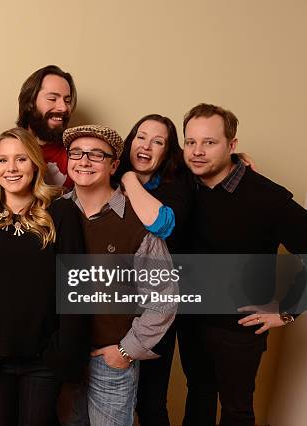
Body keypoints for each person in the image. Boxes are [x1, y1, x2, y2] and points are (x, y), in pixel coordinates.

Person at [178, 103, 307, 426]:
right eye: (191, 142)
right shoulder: (181, 187)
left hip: (239, 328)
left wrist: (288, 309)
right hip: (191, 320)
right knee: (199, 396)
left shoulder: (267, 197)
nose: (197, 151)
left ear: (232, 146)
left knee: (236, 410)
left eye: (209, 142)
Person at [0, 127, 88, 426]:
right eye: (2, 160)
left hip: (45, 360)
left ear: (35, 164)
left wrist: (61, 351)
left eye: (21, 159)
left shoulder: (61, 212)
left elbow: (75, 285)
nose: (11, 168)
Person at [62, 125, 176, 426]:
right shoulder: (52, 212)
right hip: (61, 359)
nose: (84, 161)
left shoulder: (136, 222)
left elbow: (164, 295)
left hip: (110, 361)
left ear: (114, 165)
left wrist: (126, 351)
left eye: (96, 155)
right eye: (76, 153)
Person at [115, 114, 193, 425]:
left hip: (156, 307)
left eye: (157, 141)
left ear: (167, 152)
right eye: (141, 136)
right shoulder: (108, 175)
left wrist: (131, 179)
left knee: (149, 402)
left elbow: (160, 224)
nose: (146, 145)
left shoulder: (178, 186)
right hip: (112, 302)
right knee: (113, 395)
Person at [0, 65, 77, 188]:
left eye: (67, 101)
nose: (63, 108)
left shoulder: (77, 155)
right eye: (52, 99)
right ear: (29, 103)